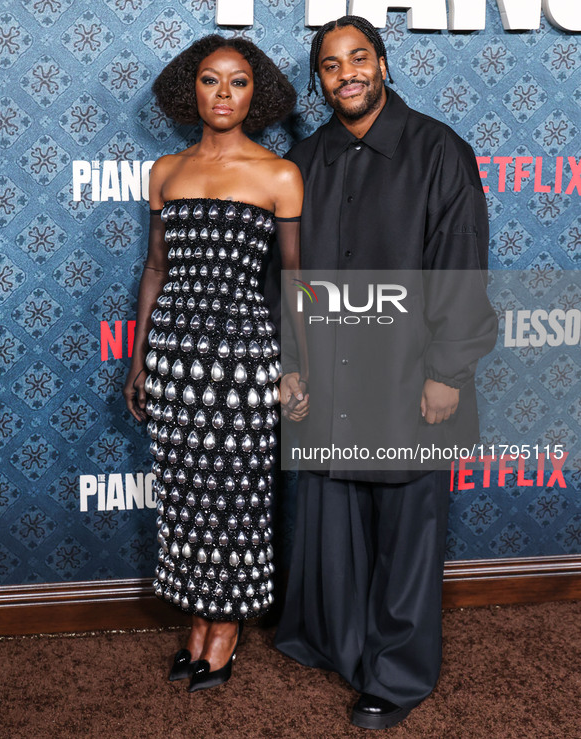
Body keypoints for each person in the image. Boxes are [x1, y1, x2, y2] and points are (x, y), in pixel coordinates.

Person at [270, 15, 498, 730]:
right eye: (331, 66)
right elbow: (290, 277)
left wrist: (447, 372)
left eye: (358, 59)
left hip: (410, 375)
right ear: (320, 80)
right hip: (330, 378)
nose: (347, 75)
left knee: (406, 532)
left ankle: (397, 676)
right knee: (334, 522)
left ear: (383, 64)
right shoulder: (305, 159)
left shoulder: (438, 150)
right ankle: (340, 645)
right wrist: (292, 364)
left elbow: (459, 266)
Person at [123, 34, 306, 692]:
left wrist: (296, 367)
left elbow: (292, 279)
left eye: (237, 82)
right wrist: (139, 357)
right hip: (173, 356)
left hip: (241, 362)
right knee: (185, 498)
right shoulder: (166, 171)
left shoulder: (279, 174)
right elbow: (153, 270)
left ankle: (224, 628)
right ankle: (197, 620)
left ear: (257, 94)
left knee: (235, 499)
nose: (222, 94)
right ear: (189, 89)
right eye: (209, 80)